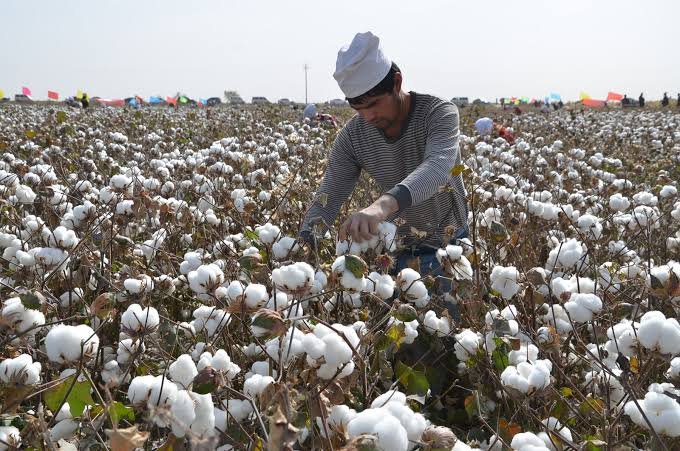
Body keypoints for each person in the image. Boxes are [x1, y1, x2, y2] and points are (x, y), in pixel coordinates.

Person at [299, 31, 468, 292]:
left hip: (450, 249)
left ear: (397, 82)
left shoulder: (438, 114)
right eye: (358, 108)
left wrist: (380, 207)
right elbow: (329, 195)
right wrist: (303, 246)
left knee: (450, 328)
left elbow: (438, 168)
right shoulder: (353, 137)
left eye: (375, 104)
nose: (368, 116)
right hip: (397, 251)